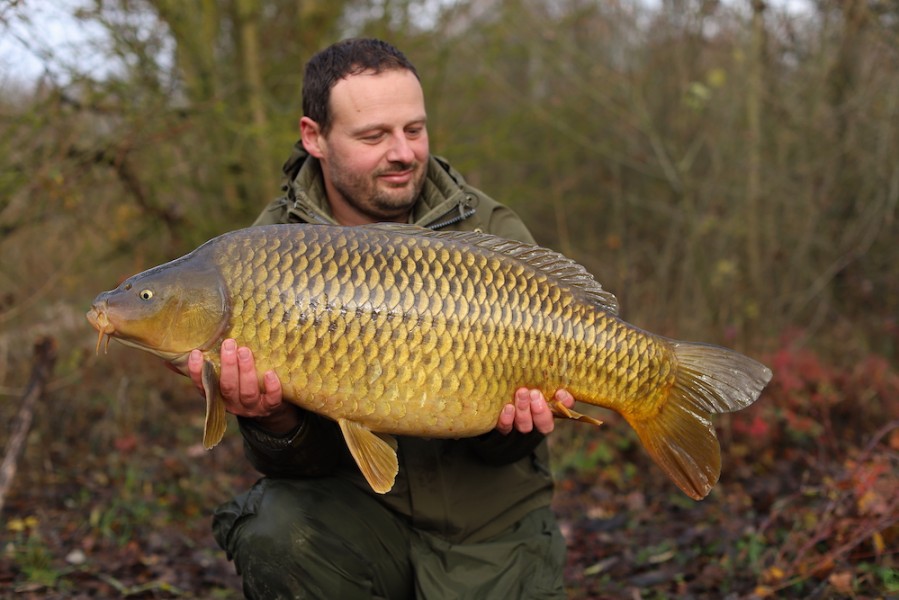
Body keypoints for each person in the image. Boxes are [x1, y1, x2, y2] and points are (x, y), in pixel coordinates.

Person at [189, 38, 573, 599]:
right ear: (313, 137)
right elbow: (299, 465)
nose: (403, 153)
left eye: (413, 130)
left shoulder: (490, 231)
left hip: (489, 525)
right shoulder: (260, 255)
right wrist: (273, 423)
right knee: (275, 532)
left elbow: (514, 447)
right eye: (374, 136)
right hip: (356, 515)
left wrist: (511, 428)